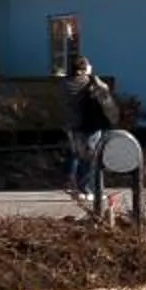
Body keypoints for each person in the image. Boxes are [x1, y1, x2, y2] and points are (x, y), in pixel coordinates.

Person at [62, 56, 117, 199]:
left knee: (78, 156)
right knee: (92, 157)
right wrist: (93, 77)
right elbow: (105, 90)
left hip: (71, 125)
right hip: (90, 124)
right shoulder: (88, 82)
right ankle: (90, 189)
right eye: (88, 65)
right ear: (83, 69)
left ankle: (77, 188)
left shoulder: (65, 83)